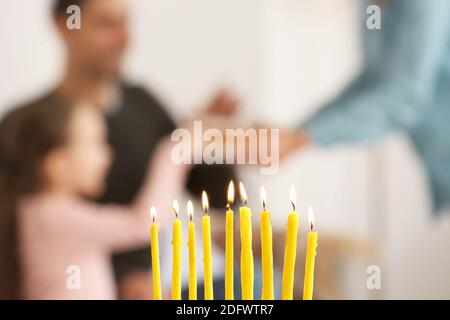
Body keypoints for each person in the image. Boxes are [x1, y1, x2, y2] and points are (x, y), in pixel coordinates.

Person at [1, 0, 237, 299]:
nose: (125, 37)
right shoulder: (23, 127)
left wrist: (207, 138)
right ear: (65, 25)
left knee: (248, 285)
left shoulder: (145, 105)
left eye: (127, 22)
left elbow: (219, 197)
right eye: (107, 24)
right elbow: (137, 223)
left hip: (150, 285)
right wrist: (177, 148)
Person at [0, 97, 190, 299]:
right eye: (96, 143)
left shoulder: (43, 213)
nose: (108, 156)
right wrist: (175, 152)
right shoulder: (51, 216)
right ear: (57, 163)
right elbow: (142, 223)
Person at [278, 0, 450, 214]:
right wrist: (296, 133)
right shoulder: (372, 7)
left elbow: (404, 97)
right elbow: (374, 77)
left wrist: (301, 137)